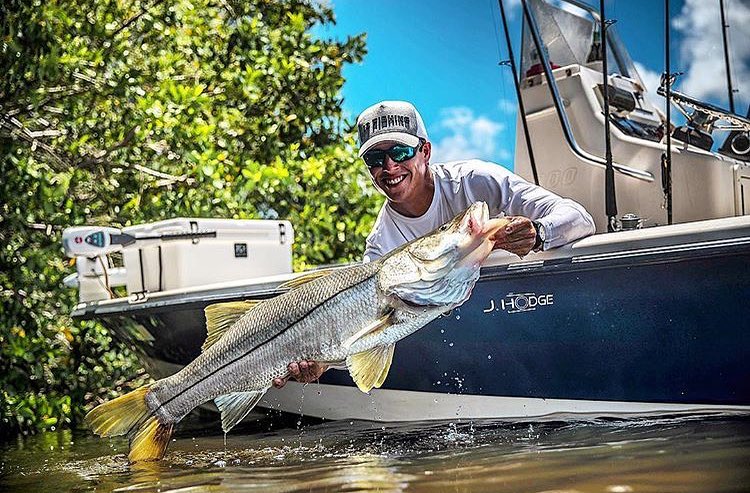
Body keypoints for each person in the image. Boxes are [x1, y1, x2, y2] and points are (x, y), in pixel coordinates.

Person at [272, 100, 595, 389]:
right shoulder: (381, 244)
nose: (389, 167)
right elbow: (367, 334)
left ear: (425, 151)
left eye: (400, 152)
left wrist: (538, 232)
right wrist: (322, 365)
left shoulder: (476, 180)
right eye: (375, 157)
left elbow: (579, 218)